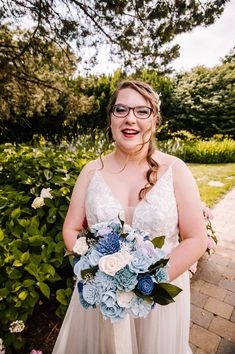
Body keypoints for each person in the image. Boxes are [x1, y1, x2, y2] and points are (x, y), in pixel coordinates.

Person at [52, 79, 208, 354]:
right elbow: (71, 229)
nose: (130, 119)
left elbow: (196, 239)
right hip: (103, 298)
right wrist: (98, 270)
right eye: (121, 110)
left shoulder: (175, 169)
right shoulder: (91, 171)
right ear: (111, 118)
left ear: (155, 120)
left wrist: (145, 284)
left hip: (158, 301)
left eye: (141, 111)